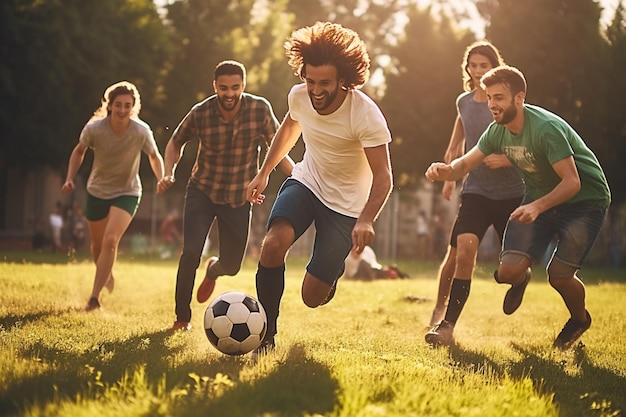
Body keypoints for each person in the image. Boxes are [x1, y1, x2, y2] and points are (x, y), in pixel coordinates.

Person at [425, 66, 611, 350]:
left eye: (499, 97)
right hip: (541, 199)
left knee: (559, 276)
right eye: (489, 98)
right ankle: (520, 278)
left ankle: (579, 319)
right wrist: (445, 171)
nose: (492, 105)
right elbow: (465, 164)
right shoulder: (497, 131)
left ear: (519, 98)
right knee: (509, 272)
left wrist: (537, 206)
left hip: (584, 202)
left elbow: (572, 182)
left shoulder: (545, 129)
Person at [245, 21, 393, 356]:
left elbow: (383, 176)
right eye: (310, 80)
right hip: (307, 181)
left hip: (346, 207)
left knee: (312, 298)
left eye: (324, 83)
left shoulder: (365, 115)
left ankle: (331, 272)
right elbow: (289, 129)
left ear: (344, 80)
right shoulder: (299, 96)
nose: (316, 90)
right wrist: (264, 172)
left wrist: (366, 220)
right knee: (273, 245)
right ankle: (266, 337)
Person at [157, 60, 294, 331]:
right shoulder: (202, 112)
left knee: (232, 266)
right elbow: (175, 141)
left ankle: (214, 270)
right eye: (223, 88)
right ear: (214, 87)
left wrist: (297, 175)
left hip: (239, 196)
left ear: (243, 85)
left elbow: (278, 146)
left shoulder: (259, 109)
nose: (229, 93)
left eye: (235, 87)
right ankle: (182, 318)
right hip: (203, 191)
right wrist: (168, 171)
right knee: (190, 252)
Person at [427, 41, 525, 334]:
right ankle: (445, 321)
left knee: (511, 264)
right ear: (467, 69)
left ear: (495, 67)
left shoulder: (506, 102)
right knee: (462, 249)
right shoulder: (464, 102)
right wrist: (451, 170)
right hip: (476, 189)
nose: (478, 70)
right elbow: (460, 132)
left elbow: (526, 143)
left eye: (484, 65)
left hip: (511, 192)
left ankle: (521, 278)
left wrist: (506, 159)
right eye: (474, 65)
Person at [62, 81, 165, 311]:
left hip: (127, 191)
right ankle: (105, 271)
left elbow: (154, 156)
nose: (122, 110)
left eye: (127, 105)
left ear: (133, 107)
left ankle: (94, 298)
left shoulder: (140, 131)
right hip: (97, 190)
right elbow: (79, 152)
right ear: (109, 105)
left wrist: (162, 177)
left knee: (110, 240)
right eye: (118, 105)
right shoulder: (95, 129)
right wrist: (70, 178)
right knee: (97, 244)